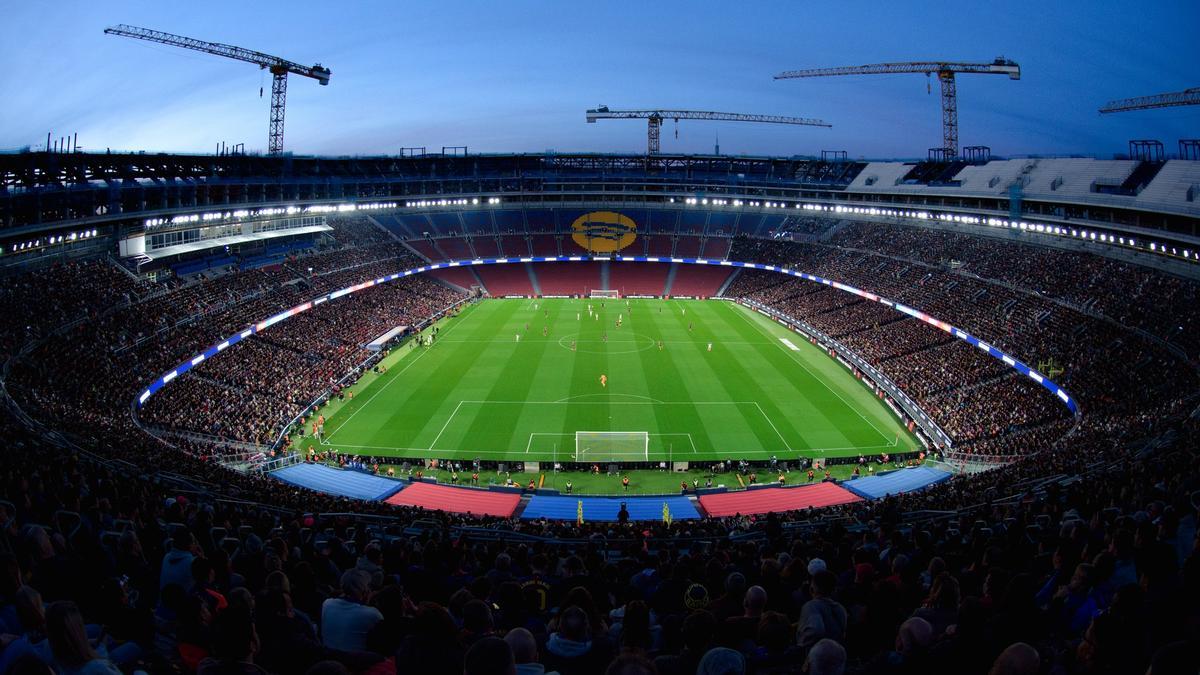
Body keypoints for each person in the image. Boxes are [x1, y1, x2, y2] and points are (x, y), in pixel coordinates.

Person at [321, 570, 381, 653]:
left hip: (328, 658)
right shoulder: (371, 614)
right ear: (365, 591)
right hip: (355, 663)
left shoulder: (327, 604)